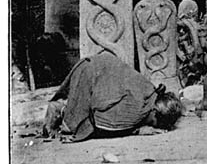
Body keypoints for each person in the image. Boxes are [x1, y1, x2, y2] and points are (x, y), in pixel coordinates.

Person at [42, 51, 184, 142]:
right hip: (91, 74)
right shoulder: (137, 109)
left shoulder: (150, 91)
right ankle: (61, 109)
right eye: (154, 122)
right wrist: (136, 130)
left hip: (97, 65)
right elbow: (102, 125)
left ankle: (68, 106)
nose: (151, 125)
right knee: (74, 127)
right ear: (155, 112)